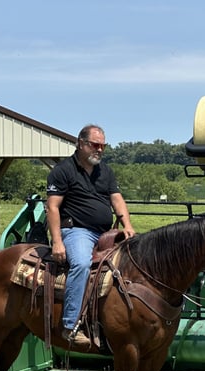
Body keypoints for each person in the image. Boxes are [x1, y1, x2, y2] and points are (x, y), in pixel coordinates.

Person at [46, 124, 135, 346]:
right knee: (82, 265)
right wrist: (57, 242)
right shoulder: (63, 171)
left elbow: (116, 199)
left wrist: (127, 225)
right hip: (77, 231)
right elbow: (53, 208)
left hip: (105, 232)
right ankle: (71, 325)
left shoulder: (105, 171)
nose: (100, 150)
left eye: (103, 146)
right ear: (81, 143)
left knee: (134, 259)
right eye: (95, 145)